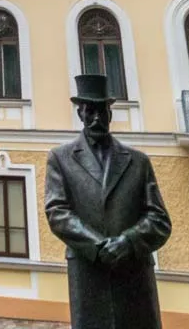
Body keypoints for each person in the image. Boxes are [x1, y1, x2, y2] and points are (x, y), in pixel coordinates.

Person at [45, 73, 172, 329]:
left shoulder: (138, 161)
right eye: (89, 111)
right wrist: (98, 246)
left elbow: (160, 220)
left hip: (134, 277)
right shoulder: (60, 159)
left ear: (110, 114)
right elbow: (57, 213)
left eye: (101, 111)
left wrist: (128, 242)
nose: (96, 118)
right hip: (89, 274)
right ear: (80, 114)